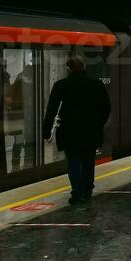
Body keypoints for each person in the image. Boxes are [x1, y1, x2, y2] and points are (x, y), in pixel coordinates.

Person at [43, 56, 110, 204]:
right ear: (84, 67)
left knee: (73, 161)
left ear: (68, 69)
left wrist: (46, 132)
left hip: (69, 132)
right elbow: (106, 108)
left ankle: (77, 192)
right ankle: (87, 190)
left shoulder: (60, 85)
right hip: (91, 131)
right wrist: (99, 123)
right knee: (88, 161)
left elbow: (52, 110)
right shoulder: (96, 84)